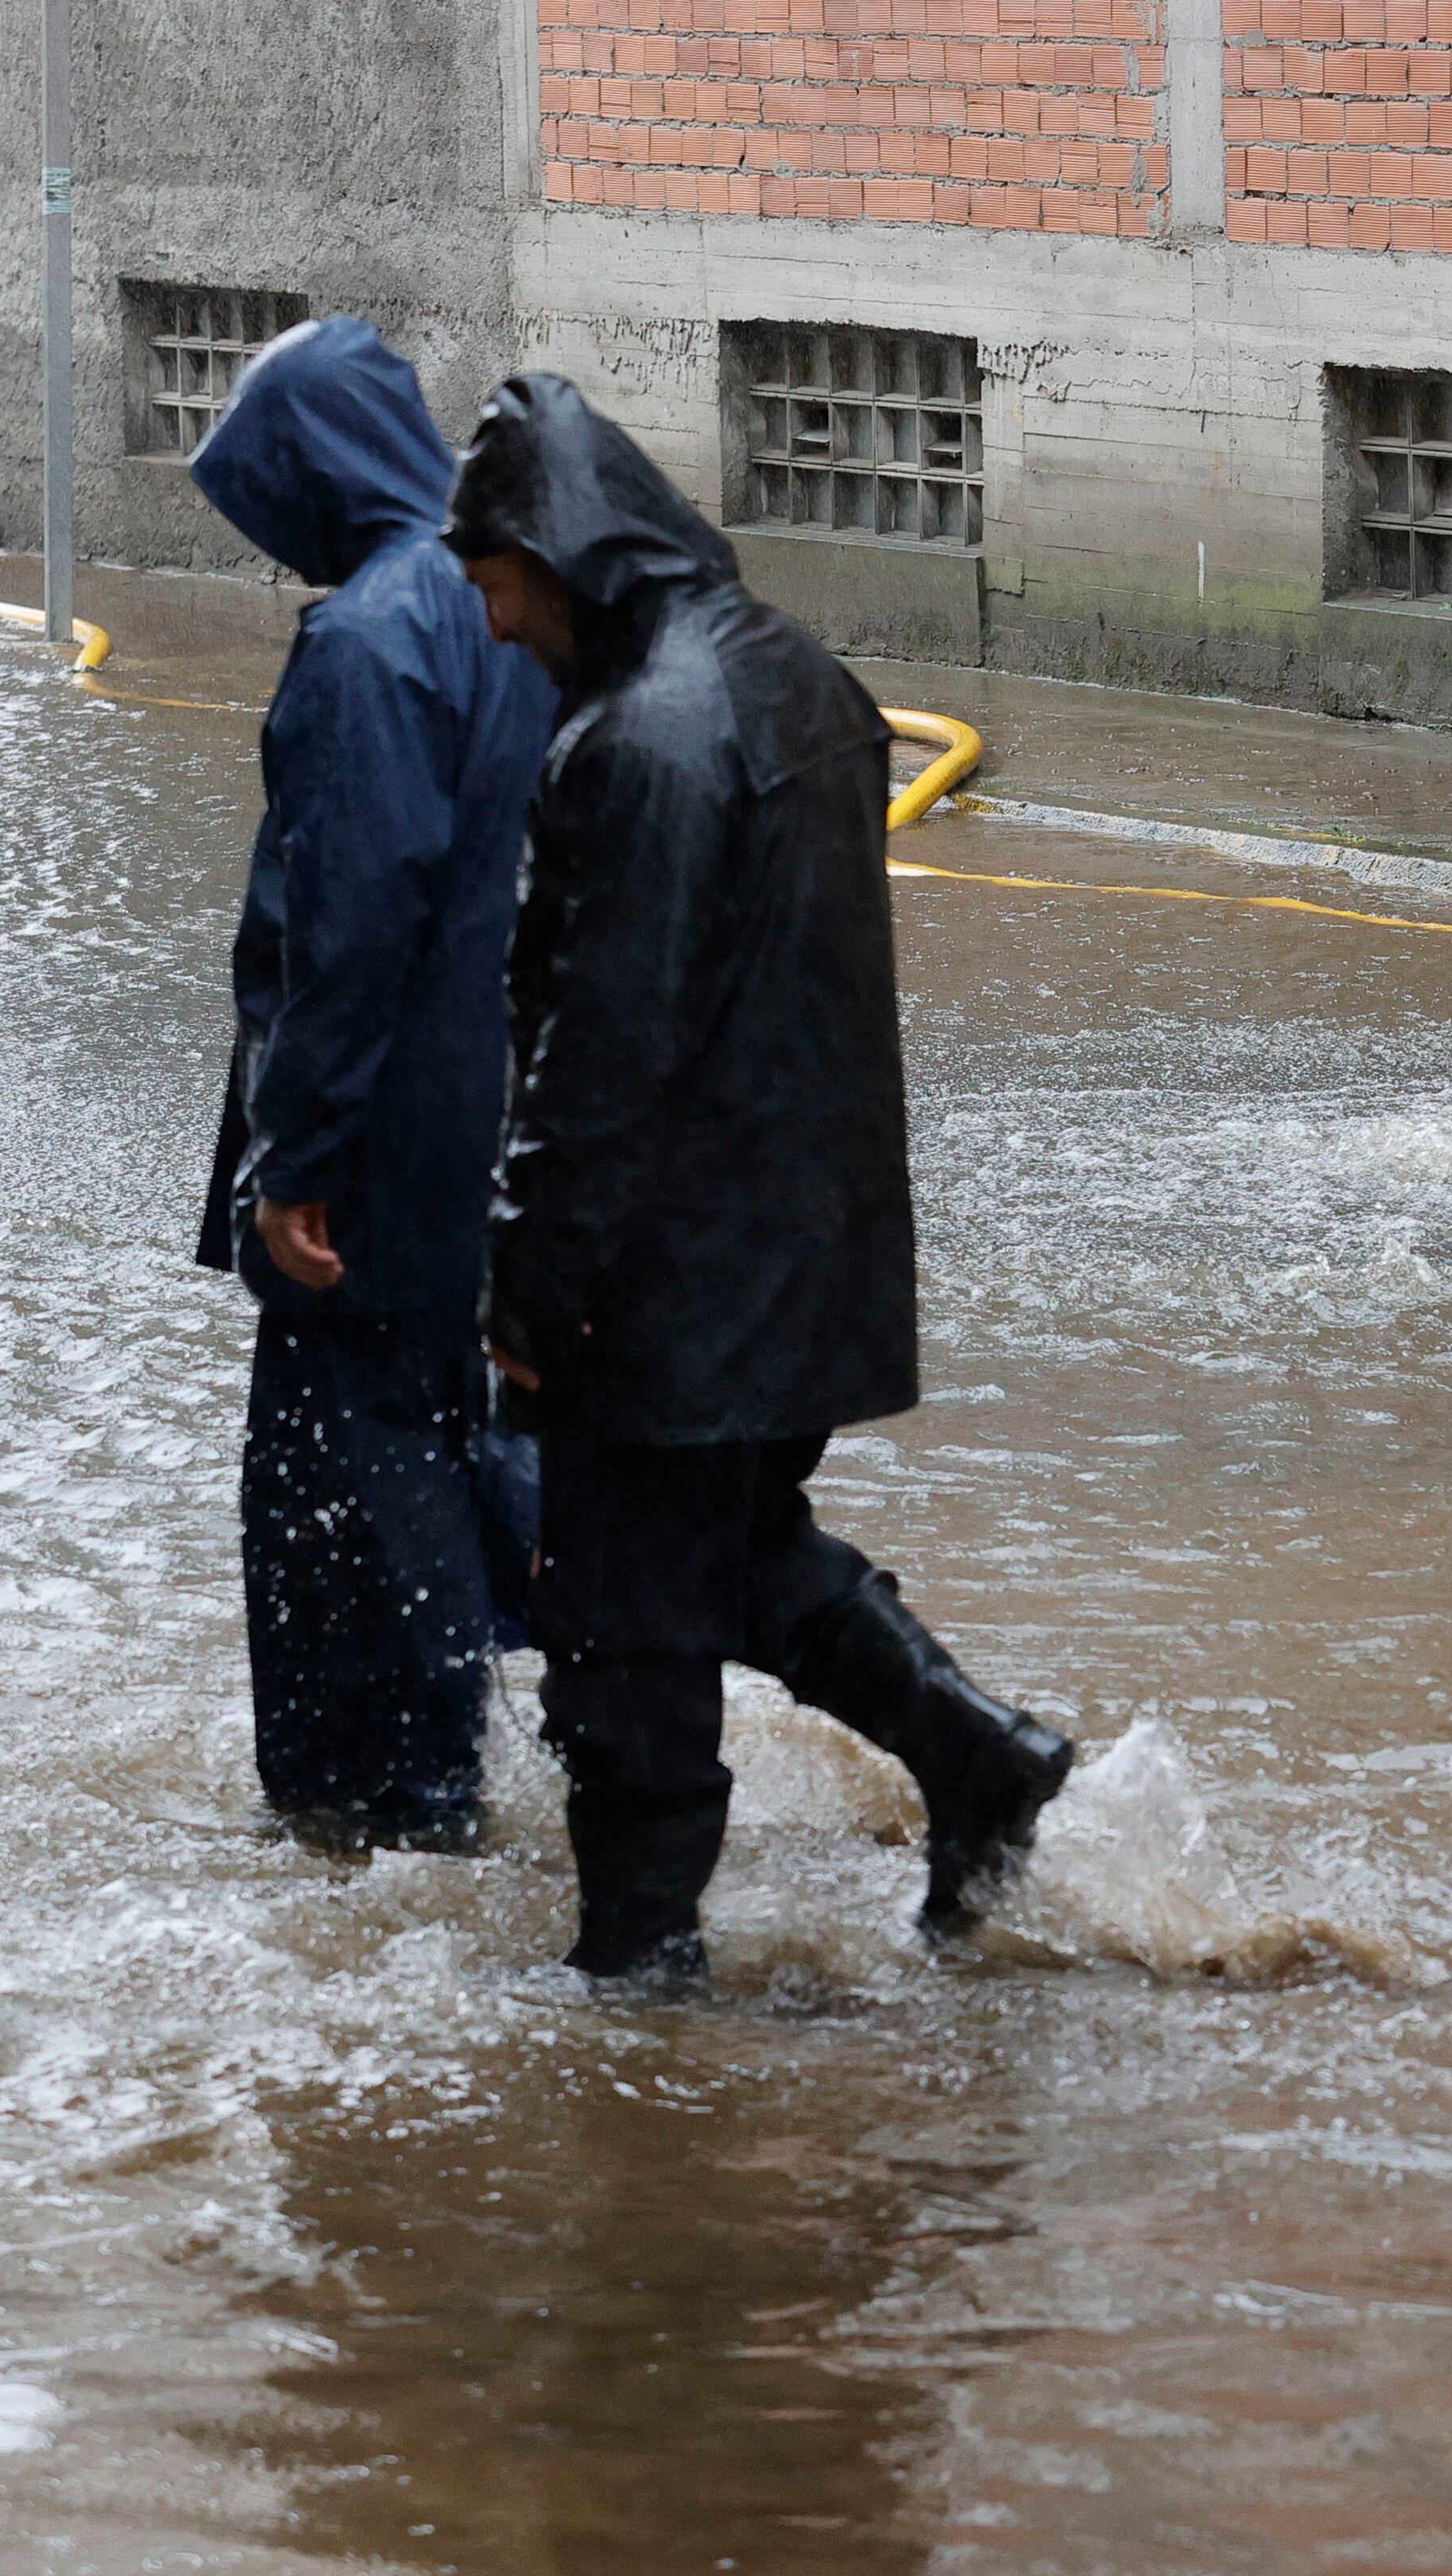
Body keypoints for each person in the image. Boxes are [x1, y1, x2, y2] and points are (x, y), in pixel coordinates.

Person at [437, 372, 1073, 1979]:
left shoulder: (640, 742)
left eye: (498, 585)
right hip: (806, 1247)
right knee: (729, 1556)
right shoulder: (799, 677)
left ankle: (635, 1960)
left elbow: (598, 1055)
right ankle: (979, 1755)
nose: (497, 626)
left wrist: (528, 1288)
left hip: (670, 1280)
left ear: (559, 554)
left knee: (619, 1619)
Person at [187, 316, 558, 1852]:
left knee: (348, 1469)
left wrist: (293, 1162)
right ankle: (541, 1728)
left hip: (380, 1144)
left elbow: (343, 923)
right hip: (498, 1124)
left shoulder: (366, 641)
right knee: (466, 1428)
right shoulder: (510, 606)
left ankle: (390, 1802)